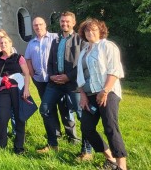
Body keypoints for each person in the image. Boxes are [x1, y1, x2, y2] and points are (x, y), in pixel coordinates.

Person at [37, 11, 92, 158]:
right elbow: (49, 61)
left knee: (82, 116)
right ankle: (52, 144)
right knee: (45, 109)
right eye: (62, 21)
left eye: (67, 21)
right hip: (55, 83)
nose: (64, 24)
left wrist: (68, 77)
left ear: (73, 23)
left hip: (74, 84)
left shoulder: (80, 40)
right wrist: (51, 75)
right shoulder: (56, 40)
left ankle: (87, 151)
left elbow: (83, 63)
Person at [77, 19, 127, 170]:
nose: (90, 33)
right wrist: (83, 95)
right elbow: (80, 77)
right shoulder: (84, 51)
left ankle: (121, 165)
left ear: (100, 31)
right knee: (87, 128)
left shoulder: (107, 46)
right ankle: (110, 158)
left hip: (108, 92)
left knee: (110, 126)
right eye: (87, 30)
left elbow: (114, 70)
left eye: (93, 30)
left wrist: (104, 91)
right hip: (89, 95)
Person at [25, 17, 80, 147]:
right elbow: (27, 59)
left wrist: (63, 76)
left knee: (65, 107)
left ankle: (72, 136)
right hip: (42, 80)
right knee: (48, 108)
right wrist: (33, 74)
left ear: (45, 25)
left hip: (63, 80)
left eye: (40, 24)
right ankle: (55, 136)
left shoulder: (56, 38)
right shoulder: (31, 42)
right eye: (35, 25)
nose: (38, 27)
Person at [0, 36, 30, 154]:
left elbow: (26, 74)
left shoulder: (18, 57)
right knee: (2, 117)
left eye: (6, 42)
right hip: (3, 91)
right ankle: (2, 147)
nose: (3, 44)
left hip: (17, 90)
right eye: (1, 43)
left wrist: (26, 89)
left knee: (19, 118)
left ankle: (19, 147)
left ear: (11, 43)